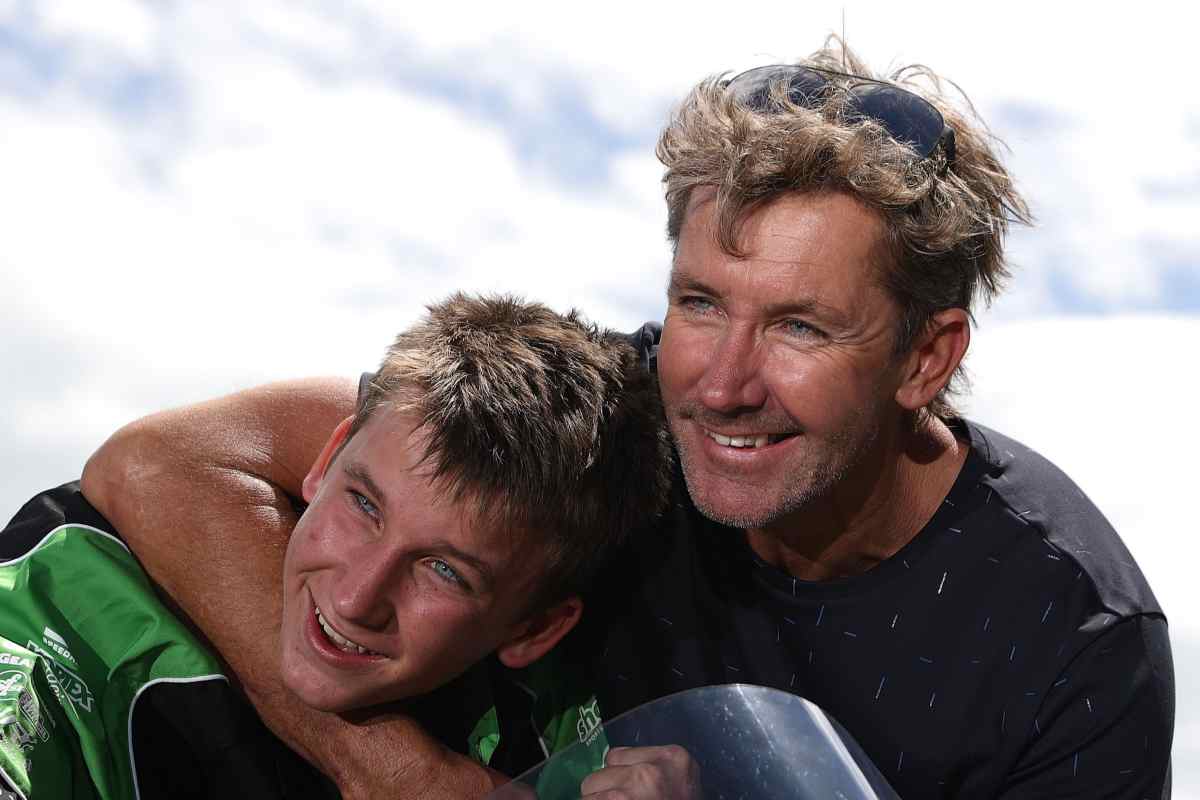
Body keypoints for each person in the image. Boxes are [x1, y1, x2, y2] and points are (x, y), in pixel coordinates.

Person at [84, 39, 1173, 798]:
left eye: (799, 326)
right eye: (701, 303)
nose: (721, 383)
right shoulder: (617, 416)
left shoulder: (1073, 646)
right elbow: (164, 461)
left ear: (925, 356)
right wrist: (397, 771)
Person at [5, 293, 671, 799]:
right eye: (363, 505)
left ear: (534, 628)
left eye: (443, 571)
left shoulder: (555, 736)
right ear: (326, 456)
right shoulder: (65, 601)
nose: (356, 598)